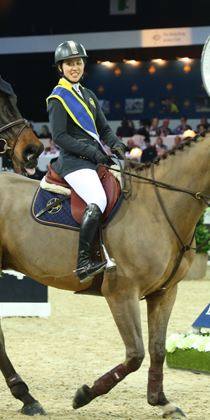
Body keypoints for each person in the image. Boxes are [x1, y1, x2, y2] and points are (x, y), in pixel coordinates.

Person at [47, 40, 126, 283]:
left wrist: (116, 144)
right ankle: (83, 263)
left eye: (78, 62)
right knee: (98, 199)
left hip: (95, 160)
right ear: (60, 68)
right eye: (70, 63)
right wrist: (93, 154)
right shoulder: (57, 98)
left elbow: (104, 129)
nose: (75, 67)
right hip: (74, 163)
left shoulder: (89, 95)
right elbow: (59, 137)